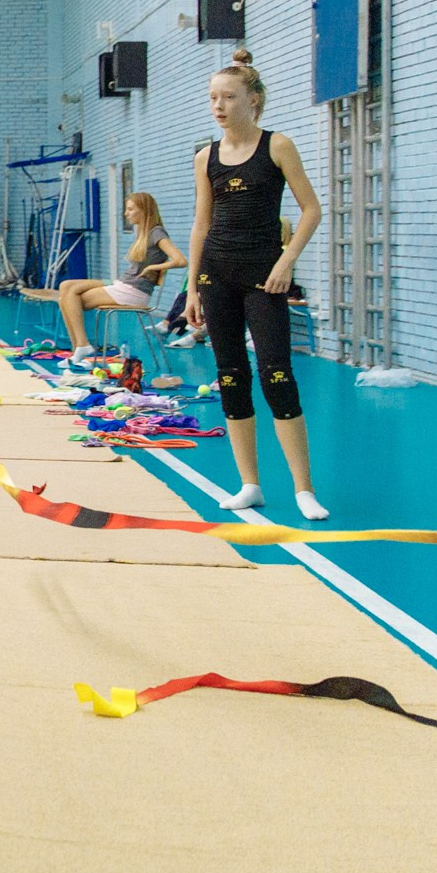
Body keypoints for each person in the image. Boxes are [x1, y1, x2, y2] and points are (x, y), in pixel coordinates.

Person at [185, 48, 326, 519]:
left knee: (276, 373)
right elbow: (201, 225)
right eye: (212, 98)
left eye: (228, 97)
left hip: (264, 278)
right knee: (230, 375)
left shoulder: (277, 146)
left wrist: (286, 263)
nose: (218, 106)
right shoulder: (206, 157)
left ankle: (304, 488)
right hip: (216, 277)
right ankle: (250, 484)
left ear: (254, 101)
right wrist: (191, 289)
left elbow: (312, 210)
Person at [24, 192, 185, 361]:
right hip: (123, 285)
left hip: (134, 291)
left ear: (144, 210)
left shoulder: (156, 232)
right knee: (66, 287)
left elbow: (180, 260)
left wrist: (154, 267)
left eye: (130, 209)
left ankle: (82, 346)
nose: (126, 213)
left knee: (70, 296)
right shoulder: (143, 233)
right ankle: (77, 348)